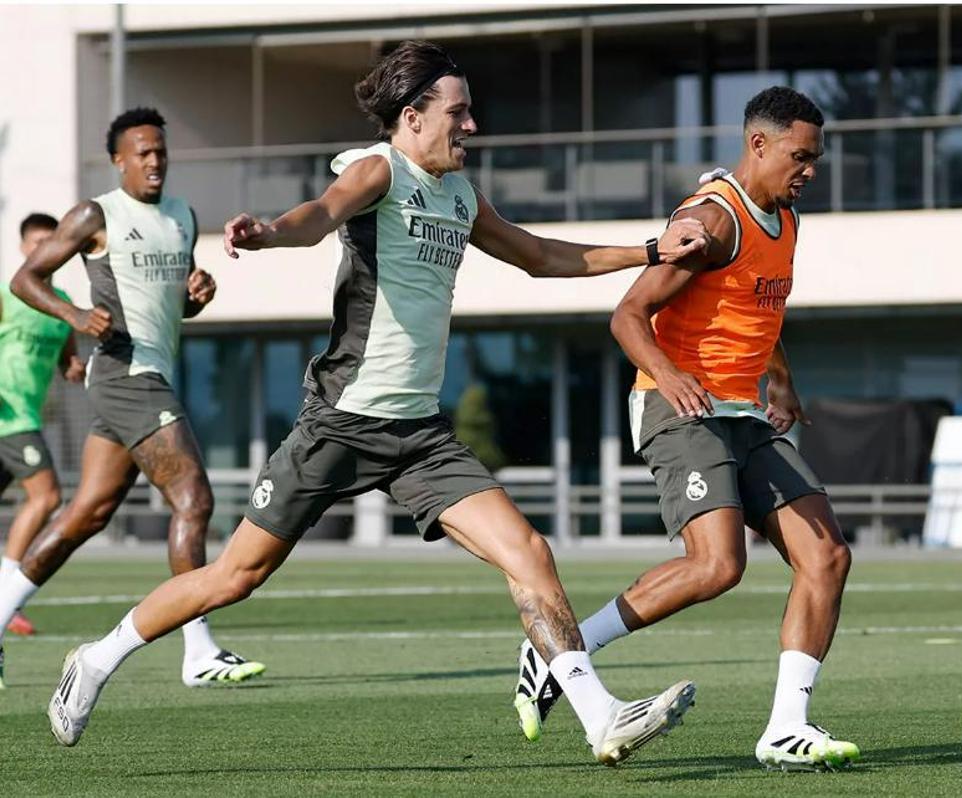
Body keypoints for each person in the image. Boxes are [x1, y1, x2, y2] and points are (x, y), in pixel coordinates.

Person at [47, 41, 708, 765]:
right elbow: (319, 213)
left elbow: (540, 255)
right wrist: (268, 234)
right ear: (413, 116)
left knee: (529, 552)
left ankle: (599, 716)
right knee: (237, 575)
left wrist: (652, 250)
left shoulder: (460, 195)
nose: (472, 126)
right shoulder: (379, 170)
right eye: (459, 113)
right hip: (340, 422)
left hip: (420, 435)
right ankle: (100, 656)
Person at [511, 87, 861, 771]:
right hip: (679, 409)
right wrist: (670, 378)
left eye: (815, 158)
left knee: (827, 556)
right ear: (758, 144)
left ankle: (787, 727)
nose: (810, 170)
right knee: (717, 565)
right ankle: (560, 648)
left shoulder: (786, 219)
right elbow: (627, 316)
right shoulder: (713, 220)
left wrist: (781, 378)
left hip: (741, 413)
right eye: (801, 156)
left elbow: (761, 307)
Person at [4, 108, 264, 690]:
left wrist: (198, 294)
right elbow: (26, 278)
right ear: (119, 159)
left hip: (150, 374)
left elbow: (179, 300)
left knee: (84, 516)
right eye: (142, 152)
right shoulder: (97, 214)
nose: (154, 161)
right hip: (126, 375)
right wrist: (73, 313)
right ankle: (197, 649)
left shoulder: (182, 217)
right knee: (194, 502)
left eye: (161, 152)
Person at [0, 214, 85, 658]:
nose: (42, 250)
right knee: (47, 497)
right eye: (35, 243)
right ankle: (5, 593)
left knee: (44, 498)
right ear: (22, 248)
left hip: (24, 415)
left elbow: (66, 360)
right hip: (7, 414)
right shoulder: (6, 295)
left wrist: (74, 367)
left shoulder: (64, 305)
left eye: (50, 243)